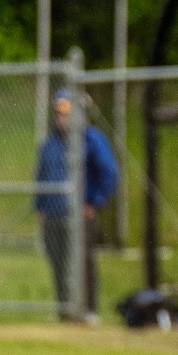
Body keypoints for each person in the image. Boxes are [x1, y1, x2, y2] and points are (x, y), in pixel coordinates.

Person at [34, 90, 118, 322]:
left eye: (66, 114)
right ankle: (65, 312)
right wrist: (40, 207)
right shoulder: (49, 144)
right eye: (58, 114)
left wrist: (94, 202)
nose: (61, 119)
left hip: (81, 217)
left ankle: (88, 311)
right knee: (59, 265)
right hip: (53, 216)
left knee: (83, 265)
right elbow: (41, 176)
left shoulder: (91, 139)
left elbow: (109, 173)